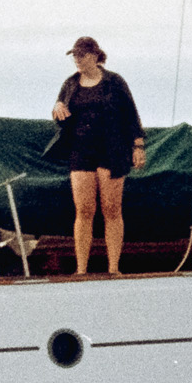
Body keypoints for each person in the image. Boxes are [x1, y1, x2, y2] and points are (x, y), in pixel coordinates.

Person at [49, 36, 147, 276]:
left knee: (111, 209)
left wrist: (138, 146)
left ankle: (113, 268)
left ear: (94, 55)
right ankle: (81, 269)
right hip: (81, 150)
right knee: (84, 210)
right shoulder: (70, 83)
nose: (77, 60)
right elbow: (60, 112)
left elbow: (131, 114)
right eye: (74, 55)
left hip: (112, 149)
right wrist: (56, 108)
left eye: (81, 55)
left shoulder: (115, 82)